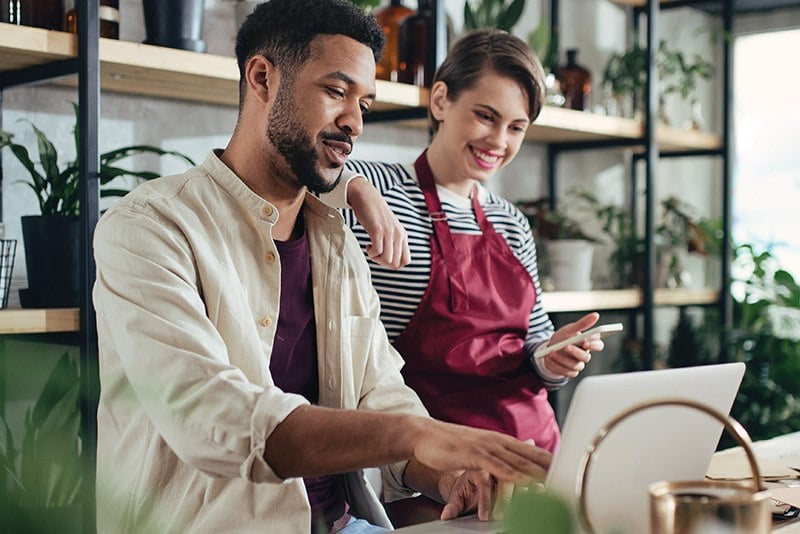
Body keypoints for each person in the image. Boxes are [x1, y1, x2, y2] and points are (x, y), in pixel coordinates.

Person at [92, 2, 553, 533]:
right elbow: (210, 416)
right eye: (336, 91)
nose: (354, 122)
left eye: (365, 103)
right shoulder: (150, 228)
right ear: (262, 78)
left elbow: (380, 393)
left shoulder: (337, 242)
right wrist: (419, 434)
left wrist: (449, 477)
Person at [337, 30, 607, 523]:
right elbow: (304, 176)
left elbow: (532, 351)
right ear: (441, 100)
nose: (498, 141)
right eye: (486, 116)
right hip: (441, 474)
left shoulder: (511, 221)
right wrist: (354, 187)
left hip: (534, 458)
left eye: (516, 127)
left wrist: (554, 356)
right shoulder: (378, 189)